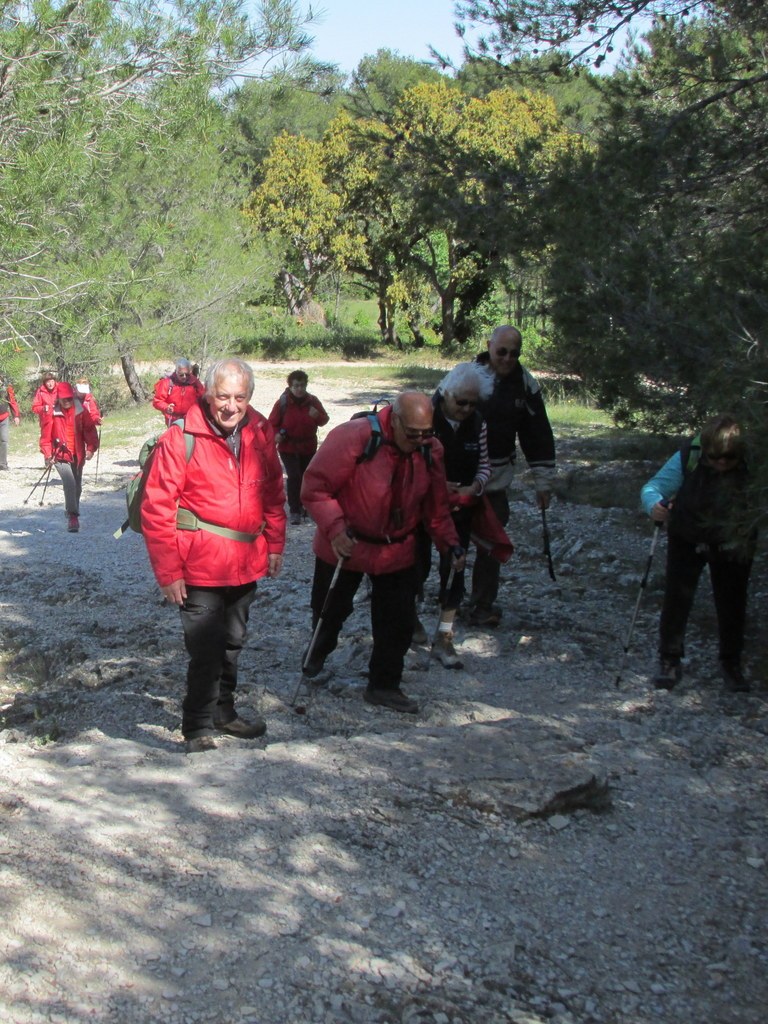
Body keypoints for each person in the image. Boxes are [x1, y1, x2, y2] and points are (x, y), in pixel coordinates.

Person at [140, 358, 286, 753]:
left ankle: (224, 711)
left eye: (240, 397)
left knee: (234, 641)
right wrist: (168, 572)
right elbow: (157, 508)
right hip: (198, 565)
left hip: (245, 560)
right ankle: (198, 726)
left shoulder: (260, 430)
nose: (231, 406)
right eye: (223, 396)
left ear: (250, 397)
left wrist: (275, 543)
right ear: (207, 393)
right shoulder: (180, 437)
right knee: (206, 649)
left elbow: (273, 492)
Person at [300, 391, 463, 714]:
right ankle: (319, 649)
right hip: (346, 544)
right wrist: (335, 527)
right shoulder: (354, 437)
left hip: (396, 548)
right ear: (395, 419)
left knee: (397, 622)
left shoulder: (430, 450)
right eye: (413, 433)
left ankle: (385, 685)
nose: (419, 440)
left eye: (426, 433)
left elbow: (436, 508)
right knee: (328, 611)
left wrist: (450, 543)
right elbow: (314, 487)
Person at [640, 414, 756, 693]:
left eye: (728, 458)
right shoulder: (688, 456)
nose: (721, 464)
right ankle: (669, 659)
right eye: (715, 457)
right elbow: (653, 488)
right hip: (687, 534)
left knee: (732, 602)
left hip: (733, 540)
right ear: (705, 450)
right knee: (677, 598)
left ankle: (731, 664)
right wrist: (654, 505)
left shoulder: (754, 462)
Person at [471, 325, 556, 626]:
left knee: (491, 545)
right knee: (447, 543)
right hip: (458, 479)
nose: (508, 359)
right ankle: (443, 603)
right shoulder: (463, 378)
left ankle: (482, 606)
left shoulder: (525, 385)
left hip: (495, 480)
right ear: (489, 345)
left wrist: (543, 483)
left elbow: (538, 436)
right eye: (502, 352)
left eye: (514, 353)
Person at [418, 363, 493, 668]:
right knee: (415, 568)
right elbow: (406, 462)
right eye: (460, 402)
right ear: (445, 393)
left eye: (472, 403)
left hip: (461, 508)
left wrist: (477, 484)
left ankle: (444, 636)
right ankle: (410, 621)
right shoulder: (424, 416)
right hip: (421, 509)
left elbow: (486, 464)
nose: (466, 408)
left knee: (457, 568)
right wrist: (434, 483)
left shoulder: (479, 423)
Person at [268, 370, 329, 525]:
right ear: (290, 386)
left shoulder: (313, 401)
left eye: (302, 385)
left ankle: (306, 507)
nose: (299, 389)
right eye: (296, 386)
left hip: (308, 446)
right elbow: (272, 423)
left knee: (306, 477)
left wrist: (317, 416)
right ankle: (295, 510)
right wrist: (276, 435)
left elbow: (324, 420)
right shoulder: (283, 402)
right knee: (294, 476)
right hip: (288, 446)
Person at [38, 382, 99, 532]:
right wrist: (47, 454)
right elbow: (45, 437)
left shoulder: (81, 410)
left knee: (77, 486)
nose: (67, 401)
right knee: (70, 483)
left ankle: (72, 511)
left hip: (77, 453)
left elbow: (90, 430)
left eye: (69, 398)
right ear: (58, 398)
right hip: (59, 454)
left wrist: (91, 448)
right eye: (64, 399)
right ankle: (73, 516)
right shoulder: (51, 413)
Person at [152, 358, 205, 426]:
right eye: (181, 375)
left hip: (191, 418)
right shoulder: (167, 383)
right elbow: (157, 401)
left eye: (187, 374)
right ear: (176, 372)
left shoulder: (195, 382)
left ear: (190, 372)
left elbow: (203, 398)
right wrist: (166, 407)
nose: (184, 377)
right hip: (173, 420)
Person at [0, 374, 21, 471]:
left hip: (4, 417)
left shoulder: (7, 388)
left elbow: (12, 401)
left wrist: (16, 416)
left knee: (4, 440)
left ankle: (3, 464)